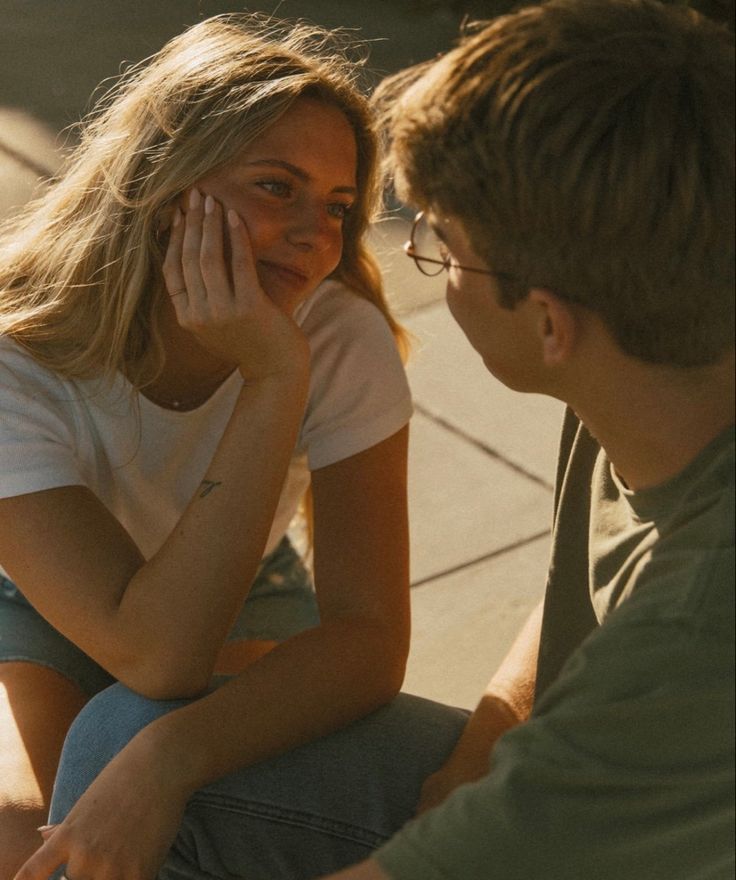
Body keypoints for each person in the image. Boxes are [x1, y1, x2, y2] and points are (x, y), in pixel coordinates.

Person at [18, 0, 734, 878]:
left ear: (549, 323)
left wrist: (168, 762)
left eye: (442, 243)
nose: (355, 247)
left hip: (619, 823)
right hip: (62, 600)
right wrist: (473, 761)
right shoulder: (637, 378)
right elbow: (575, 591)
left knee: (104, 788)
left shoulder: (689, 641)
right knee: (106, 766)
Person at [0, 12, 418, 877]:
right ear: (164, 177)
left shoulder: (336, 336)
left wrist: (173, 755)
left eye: (338, 205)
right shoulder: (18, 356)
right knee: (51, 843)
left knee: (196, 806)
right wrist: (269, 380)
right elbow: (159, 656)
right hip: (38, 595)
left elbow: (371, 637)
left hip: (243, 581)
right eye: (276, 186)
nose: (316, 234)